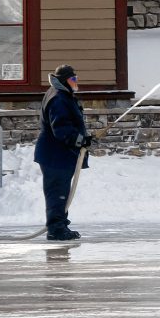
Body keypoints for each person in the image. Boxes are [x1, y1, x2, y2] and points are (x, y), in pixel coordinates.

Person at [35, 65, 93, 241]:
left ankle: (60, 225)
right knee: (57, 193)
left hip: (60, 155)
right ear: (63, 81)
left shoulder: (62, 95)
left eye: (76, 79)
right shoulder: (59, 98)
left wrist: (83, 138)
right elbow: (60, 128)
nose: (76, 82)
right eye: (72, 79)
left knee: (61, 194)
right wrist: (80, 140)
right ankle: (56, 229)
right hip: (55, 156)